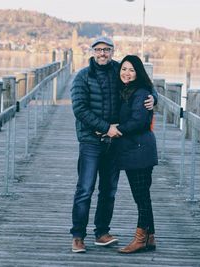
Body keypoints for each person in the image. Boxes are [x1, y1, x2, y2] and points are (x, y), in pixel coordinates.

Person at [70, 36, 157, 253]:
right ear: (92, 51)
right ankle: (78, 236)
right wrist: (105, 126)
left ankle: (101, 232)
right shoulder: (82, 77)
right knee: (85, 189)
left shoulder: (119, 71)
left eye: (107, 50)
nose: (102, 53)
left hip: (114, 142)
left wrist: (154, 97)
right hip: (91, 141)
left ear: (112, 51)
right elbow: (79, 109)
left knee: (109, 190)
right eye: (99, 49)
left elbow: (142, 84)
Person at [115, 55, 158, 254]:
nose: (127, 73)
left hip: (140, 150)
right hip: (135, 149)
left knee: (141, 198)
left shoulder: (141, 92)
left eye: (131, 70)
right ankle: (150, 237)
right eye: (124, 69)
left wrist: (116, 129)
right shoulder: (125, 89)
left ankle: (140, 239)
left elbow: (139, 121)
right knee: (143, 197)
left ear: (138, 73)